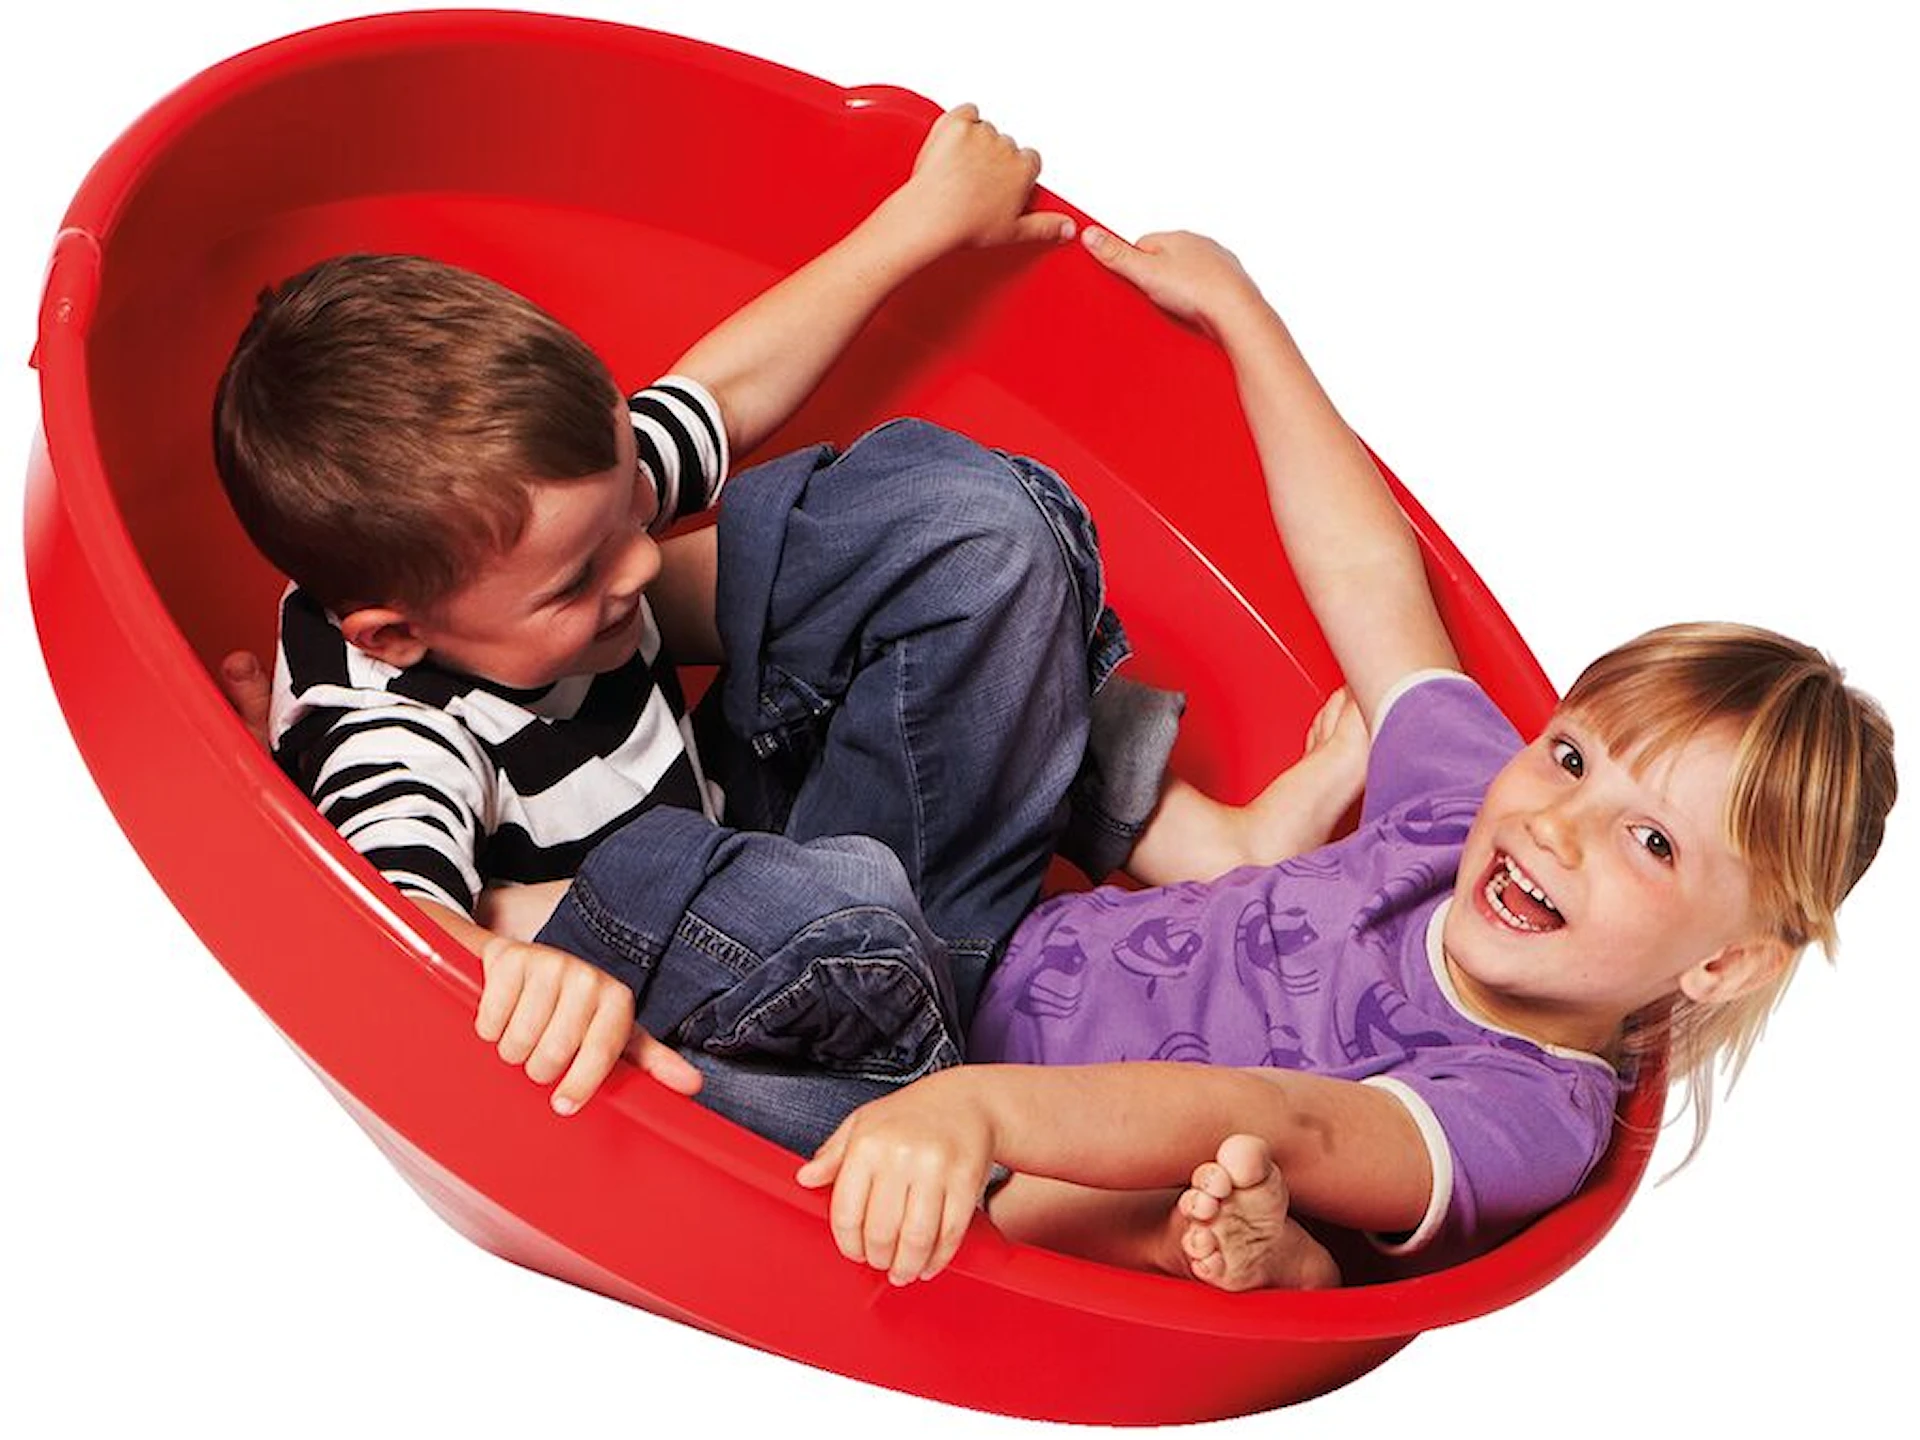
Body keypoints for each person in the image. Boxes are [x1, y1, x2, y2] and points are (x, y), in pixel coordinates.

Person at [794, 226, 1898, 1292]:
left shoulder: (1524, 1114)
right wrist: (1241, 313)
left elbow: (1283, 1119)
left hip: (958, 1134)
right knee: (984, 544)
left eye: (1651, 841)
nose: (1558, 825)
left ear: (1725, 963)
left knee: (1170, 1179)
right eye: (1571, 757)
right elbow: (1368, 574)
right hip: (977, 924)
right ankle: (706, 646)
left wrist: (981, 1109)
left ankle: (1231, 1257)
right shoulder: (1471, 810)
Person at [211, 107, 1313, 1156]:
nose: (643, 562)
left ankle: (956, 1005)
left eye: (632, 509)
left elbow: (722, 396)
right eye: (580, 578)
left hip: (820, 885)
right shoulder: (389, 726)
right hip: (716, 1006)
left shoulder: (542, 506)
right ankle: (965, 1127)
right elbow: (388, 918)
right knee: (806, 905)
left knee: (969, 528)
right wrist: (508, 959)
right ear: (395, 636)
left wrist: (922, 220)